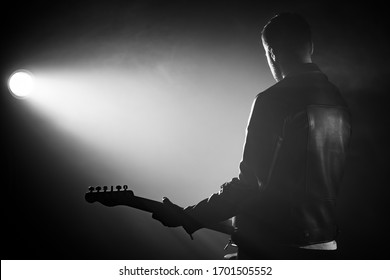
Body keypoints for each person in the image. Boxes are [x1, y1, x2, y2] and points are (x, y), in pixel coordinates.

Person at [152, 12, 351, 259]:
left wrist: (190, 215)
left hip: (277, 246)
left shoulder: (273, 100)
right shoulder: (338, 100)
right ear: (310, 46)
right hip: (326, 245)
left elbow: (250, 184)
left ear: (272, 53)